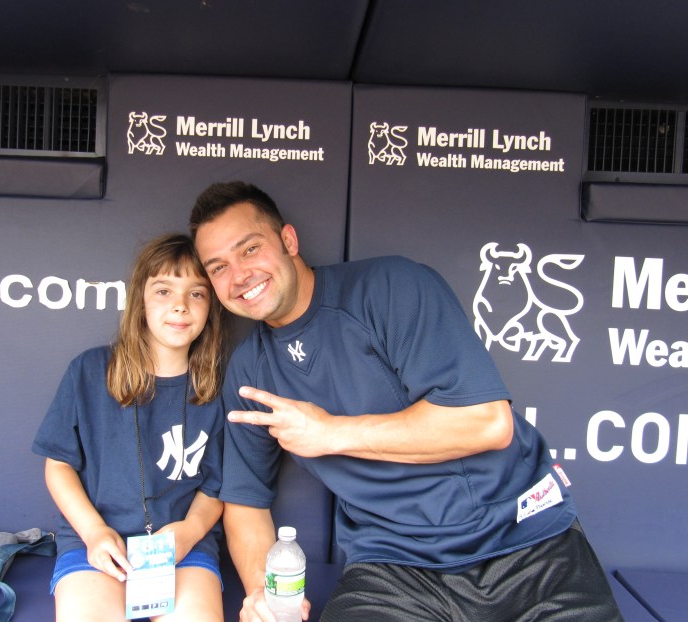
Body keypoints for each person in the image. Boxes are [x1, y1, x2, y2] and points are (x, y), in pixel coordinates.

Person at [189, 181, 623, 621]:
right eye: (218, 267)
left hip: (525, 543)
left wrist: (328, 433)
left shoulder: (389, 287)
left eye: (249, 249)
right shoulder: (250, 369)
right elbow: (245, 499)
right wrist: (265, 593)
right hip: (392, 566)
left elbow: (487, 423)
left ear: (288, 241)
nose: (239, 275)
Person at [32, 233, 227, 622]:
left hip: (182, 546)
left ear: (211, 307)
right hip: (97, 542)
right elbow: (59, 465)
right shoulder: (90, 371)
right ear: (139, 300)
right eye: (163, 291)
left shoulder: (218, 390)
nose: (180, 306)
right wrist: (93, 532)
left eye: (196, 294)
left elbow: (217, 487)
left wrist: (188, 532)